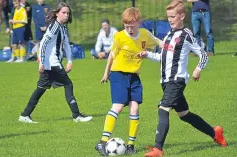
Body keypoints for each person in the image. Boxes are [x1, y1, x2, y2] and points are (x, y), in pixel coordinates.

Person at [138, 1, 227, 156]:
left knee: (163, 109)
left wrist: (198, 69)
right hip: (165, 82)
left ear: (182, 16)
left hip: (176, 81)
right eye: (168, 17)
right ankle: (215, 133)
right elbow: (163, 58)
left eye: (173, 16)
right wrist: (147, 54)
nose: (170, 20)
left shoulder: (186, 35)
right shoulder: (168, 36)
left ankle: (158, 149)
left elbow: (203, 55)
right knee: (184, 114)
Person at [95, 7, 163, 156]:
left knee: (135, 109)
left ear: (139, 22)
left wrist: (172, 47)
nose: (129, 29)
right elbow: (112, 56)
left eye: (132, 26)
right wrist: (106, 74)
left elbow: (160, 43)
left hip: (134, 77)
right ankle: (102, 142)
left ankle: (131, 145)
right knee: (118, 107)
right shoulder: (119, 36)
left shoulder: (145, 35)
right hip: (118, 74)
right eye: (126, 26)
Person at [18, 2, 93, 123]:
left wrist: (69, 61)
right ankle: (76, 116)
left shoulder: (62, 26)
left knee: (40, 89)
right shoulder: (54, 26)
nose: (66, 15)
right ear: (57, 13)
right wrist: (41, 62)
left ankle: (25, 115)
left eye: (68, 13)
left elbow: (67, 45)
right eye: (63, 12)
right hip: (52, 64)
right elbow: (43, 44)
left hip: (51, 64)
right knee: (68, 84)